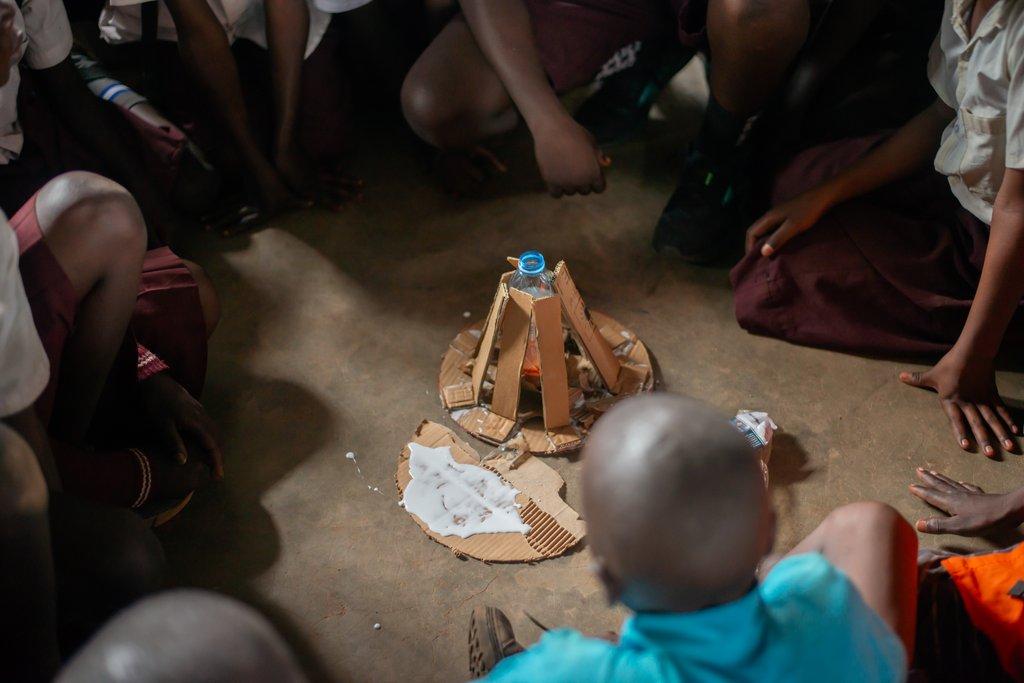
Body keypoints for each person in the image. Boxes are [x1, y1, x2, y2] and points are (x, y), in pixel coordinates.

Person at [734, 0, 1024, 456]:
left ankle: (996, 324)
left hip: (1002, 236)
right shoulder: (965, 4)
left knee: (770, 287)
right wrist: (825, 195)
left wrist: (976, 356)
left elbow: (1016, 210)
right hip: (963, 188)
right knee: (800, 183)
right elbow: (942, 115)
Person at [469, 394, 917, 681]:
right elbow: (876, 531)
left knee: (603, 643)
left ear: (605, 580)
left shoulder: (572, 669)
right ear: (770, 535)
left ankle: (505, 667)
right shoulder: (823, 601)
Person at [13, 170, 221, 511]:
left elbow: (40, 297)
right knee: (130, 556)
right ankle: (74, 466)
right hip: (19, 444)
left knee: (193, 292)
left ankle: (75, 449)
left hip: (39, 371)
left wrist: (147, 372)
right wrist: (140, 477)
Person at [95, 0, 364, 233]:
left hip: (254, 15)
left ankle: (276, 144)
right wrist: (258, 171)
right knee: (230, 169)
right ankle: (251, 159)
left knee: (322, 144)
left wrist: (286, 148)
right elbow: (196, 29)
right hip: (174, 34)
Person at [0, 0, 191, 244]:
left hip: (34, 103)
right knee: (99, 233)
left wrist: (144, 190)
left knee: (189, 185)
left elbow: (63, 83)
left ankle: (88, 60)